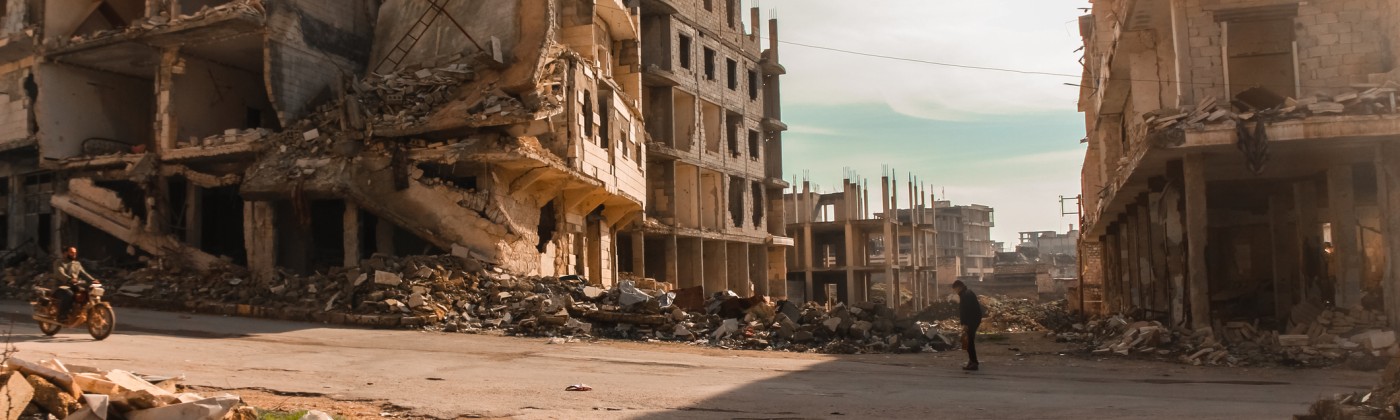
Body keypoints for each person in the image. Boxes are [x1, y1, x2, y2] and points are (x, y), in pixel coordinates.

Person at [53, 246, 98, 321]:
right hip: (60, 287)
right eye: (71, 252)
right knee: (69, 294)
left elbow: (84, 273)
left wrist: (93, 280)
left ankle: (79, 312)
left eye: (75, 253)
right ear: (65, 253)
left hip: (73, 286)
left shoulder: (77, 264)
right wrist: (69, 279)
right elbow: (60, 273)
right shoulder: (59, 262)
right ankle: (61, 316)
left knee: (84, 293)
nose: (74, 254)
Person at [952, 280, 984, 371]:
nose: (955, 292)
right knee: (969, 341)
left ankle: (974, 362)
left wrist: (965, 324)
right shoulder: (967, 293)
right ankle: (972, 361)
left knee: (969, 342)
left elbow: (965, 311)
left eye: (955, 289)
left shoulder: (965, 295)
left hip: (971, 320)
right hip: (974, 319)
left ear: (959, 287)